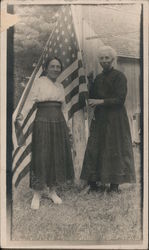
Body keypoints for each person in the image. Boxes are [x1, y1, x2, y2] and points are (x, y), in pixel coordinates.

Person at [80, 46, 136, 193]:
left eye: (107, 58)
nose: (104, 61)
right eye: (101, 58)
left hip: (115, 118)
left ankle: (114, 185)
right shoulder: (98, 78)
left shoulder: (119, 76)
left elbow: (119, 99)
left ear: (112, 59)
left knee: (113, 148)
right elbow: (91, 96)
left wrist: (100, 102)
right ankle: (93, 183)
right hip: (100, 118)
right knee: (95, 147)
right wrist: (88, 82)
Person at [24, 57, 74, 209]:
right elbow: (29, 102)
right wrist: (21, 115)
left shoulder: (60, 86)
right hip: (43, 121)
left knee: (56, 154)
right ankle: (37, 194)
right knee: (42, 154)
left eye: (58, 66)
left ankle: (52, 191)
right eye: (52, 66)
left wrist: (68, 125)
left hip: (58, 122)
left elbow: (64, 108)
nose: (55, 69)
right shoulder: (39, 82)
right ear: (46, 68)